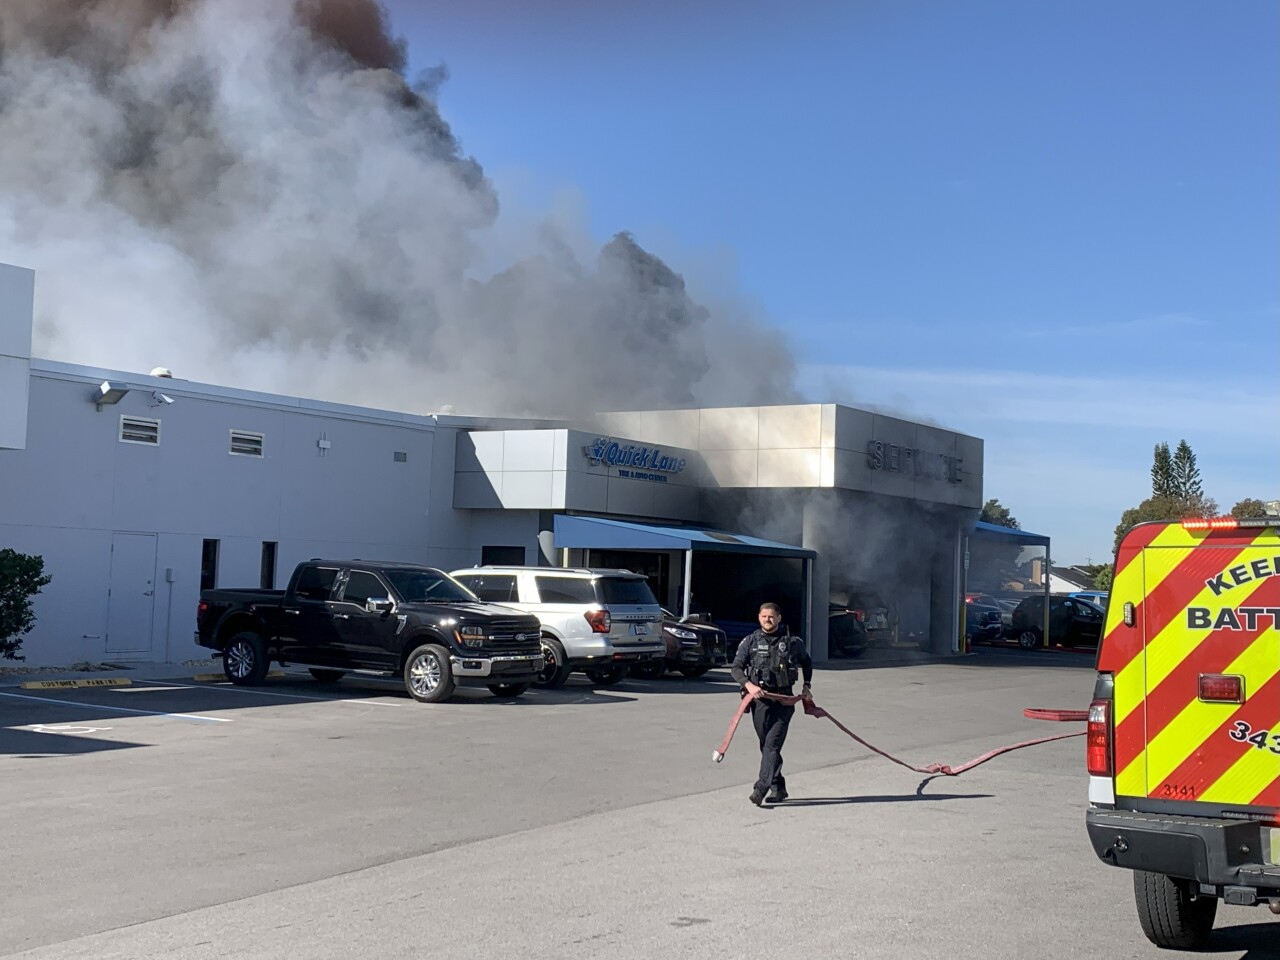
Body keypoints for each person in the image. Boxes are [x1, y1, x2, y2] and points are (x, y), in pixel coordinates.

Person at [730, 602, 813, 806]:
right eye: (764, 616)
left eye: (771, 616)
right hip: (759, 702)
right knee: (766, 746)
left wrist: (806, 686)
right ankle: (779, 786)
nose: (767, 620)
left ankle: (761, 789)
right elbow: (736, 668)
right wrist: (748, 685)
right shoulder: (750, 642)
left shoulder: (793, 642)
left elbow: (807, 663)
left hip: (784, 702)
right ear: (759, 618)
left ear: (779, 618)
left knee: (771, 744)